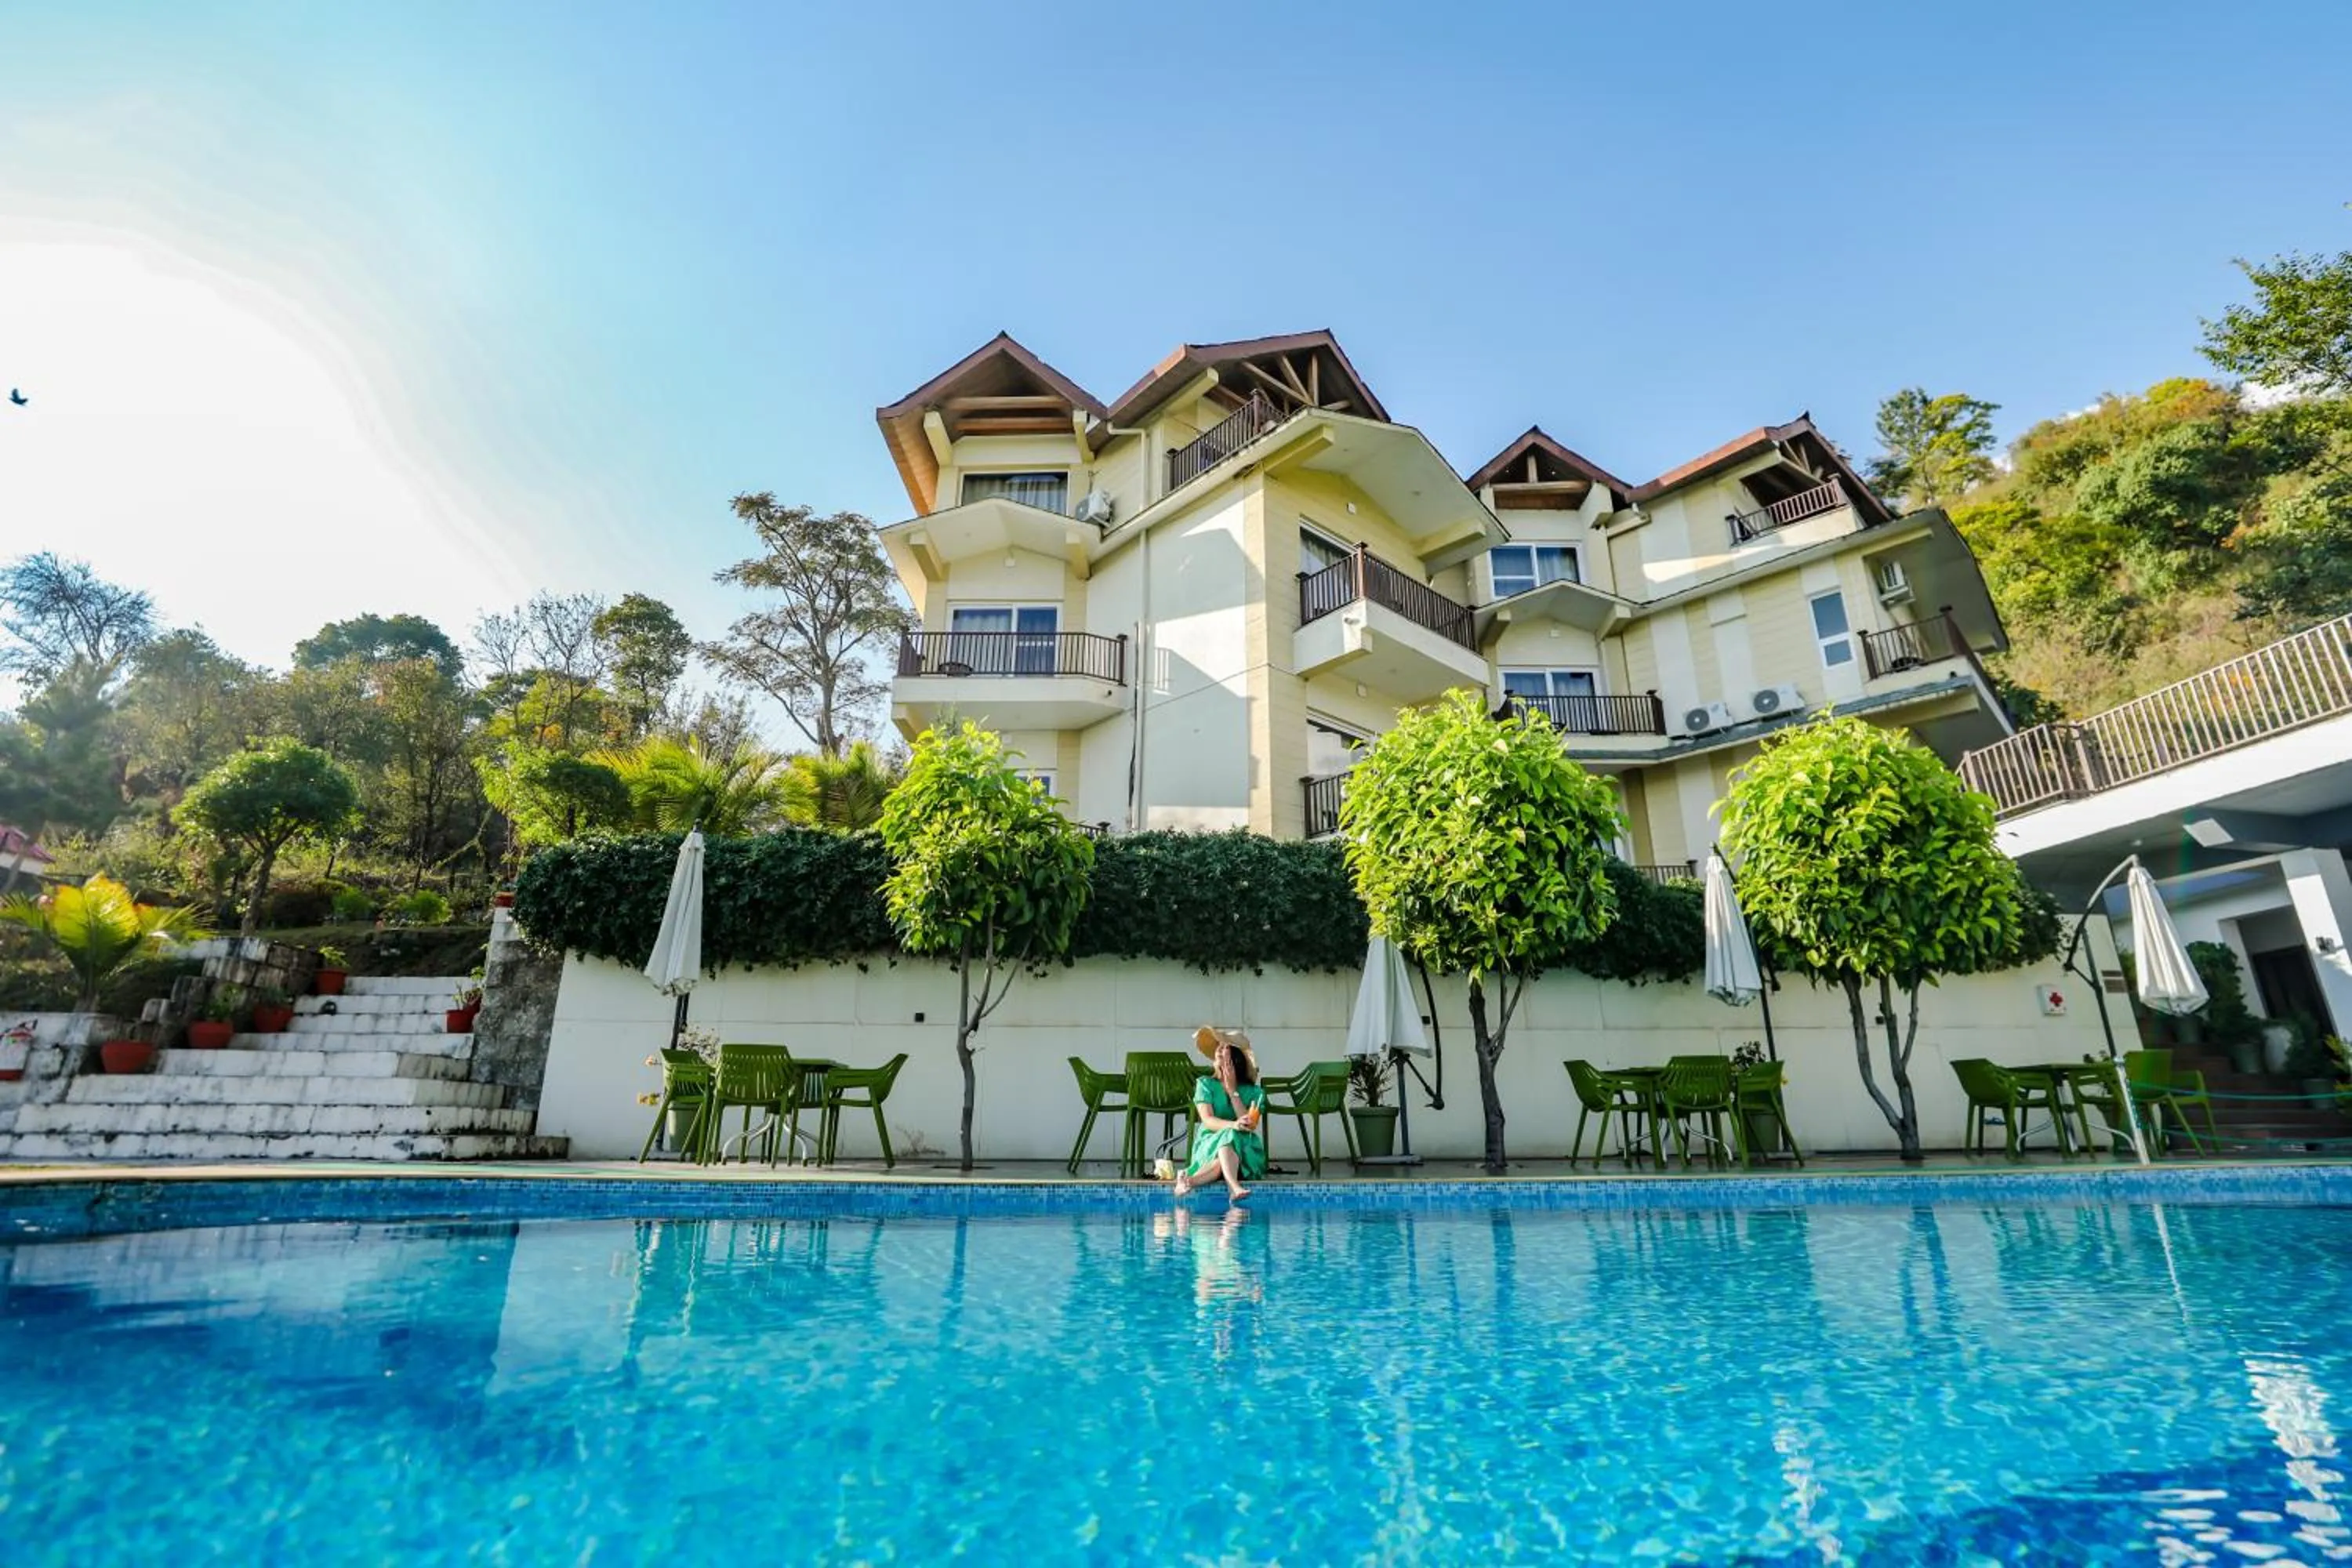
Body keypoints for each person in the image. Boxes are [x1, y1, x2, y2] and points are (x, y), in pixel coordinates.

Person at [1174, 1025, 1266, 1202]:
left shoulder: (1255, 1092)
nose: (1219, 1050)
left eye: (1226, 1048)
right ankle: (1234, 1187)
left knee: (1227, 1145)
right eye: (1219, 1046)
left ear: (1236, 1058)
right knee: (1226, 1143)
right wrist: (1232, 1125)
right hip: (1210, 1141)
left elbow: (1249, 1126)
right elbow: (1207, 1120)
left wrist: (1233, 1092)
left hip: (1245, 1146)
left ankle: (1187, 1180)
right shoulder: (1205, 1085)